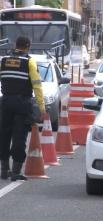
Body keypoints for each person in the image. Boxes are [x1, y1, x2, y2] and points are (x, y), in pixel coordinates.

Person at [0, 36, 45, 181]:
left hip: (5, 102)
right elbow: (37, 85)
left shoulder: (4, 60)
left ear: (15, 45)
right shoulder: (29, 61)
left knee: (3, 136)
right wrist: (41, 107)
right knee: (19, 137)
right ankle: (15, 172)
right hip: (22, 103)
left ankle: (3, 170)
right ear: (28, 46)